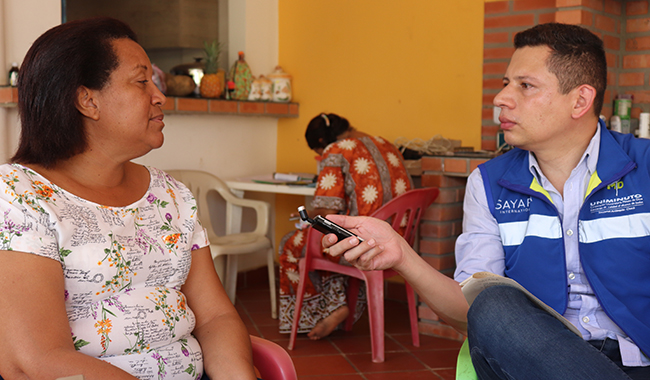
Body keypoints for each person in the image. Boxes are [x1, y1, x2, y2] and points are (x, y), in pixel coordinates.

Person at [322, 23, 650, 380]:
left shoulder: (644, 167)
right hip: (527, 359)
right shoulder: (489, 184)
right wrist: (401, 254)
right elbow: (467, 312)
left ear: (580, 100)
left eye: (525, 85)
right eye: (505, 83)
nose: (501, 99)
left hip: (639, 359)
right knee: (491, 306)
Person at [0, 18, 257, 380]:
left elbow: (216, 316)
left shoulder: (171, 195)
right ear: (86, 99)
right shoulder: (19, 197)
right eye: (141, 82)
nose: (159, 96)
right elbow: (38, 359)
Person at [278, 113, 413, 339]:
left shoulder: (336, 150)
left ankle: (324, 311)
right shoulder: (386, 144)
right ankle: (339, 306)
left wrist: (307, 215)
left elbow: (325, 211)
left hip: (363, 243)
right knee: (331, 234)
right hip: (398, 237)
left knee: (295, 241)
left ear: (322, 143)